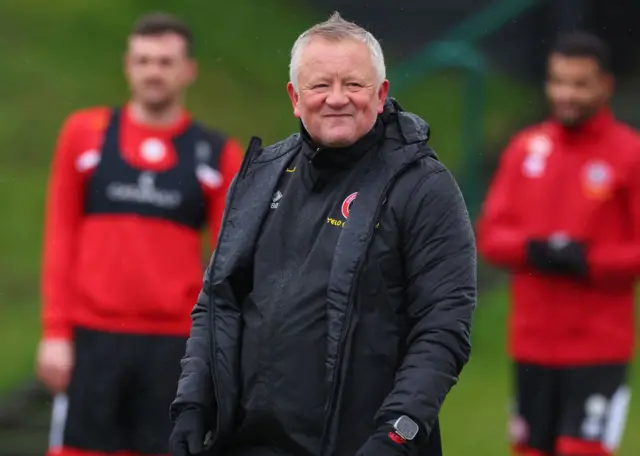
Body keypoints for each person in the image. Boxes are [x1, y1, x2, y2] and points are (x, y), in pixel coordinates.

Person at [168, 12, 477, 456]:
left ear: (381, 92)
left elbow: (443, 327)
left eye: (353, 84)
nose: (337, 99)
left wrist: (398, 434)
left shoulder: (425, 188)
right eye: (320, 85)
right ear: (296, 97)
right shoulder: (261, 175)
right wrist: (192, 403)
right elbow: (219, 301)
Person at [37, 12, 244, 456]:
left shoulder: (215, 153)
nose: (154, 71)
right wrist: (55, 331)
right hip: (93, 337)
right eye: (144, 60)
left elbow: (230, 260)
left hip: (175, 346)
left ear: (188, 70)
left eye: (166, 62)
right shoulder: (83, 136)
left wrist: (216, 348)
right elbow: (60, 236)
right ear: (128, 65)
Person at [477, 31, 640, 456]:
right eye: (558, 81)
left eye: (579, 84)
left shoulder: (629, 155)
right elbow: (491, 236)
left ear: (605, 85)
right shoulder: (525, 149)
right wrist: (534, 250)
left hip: (597, 348)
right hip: (532, 344)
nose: (566, 94)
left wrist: (587, 260)